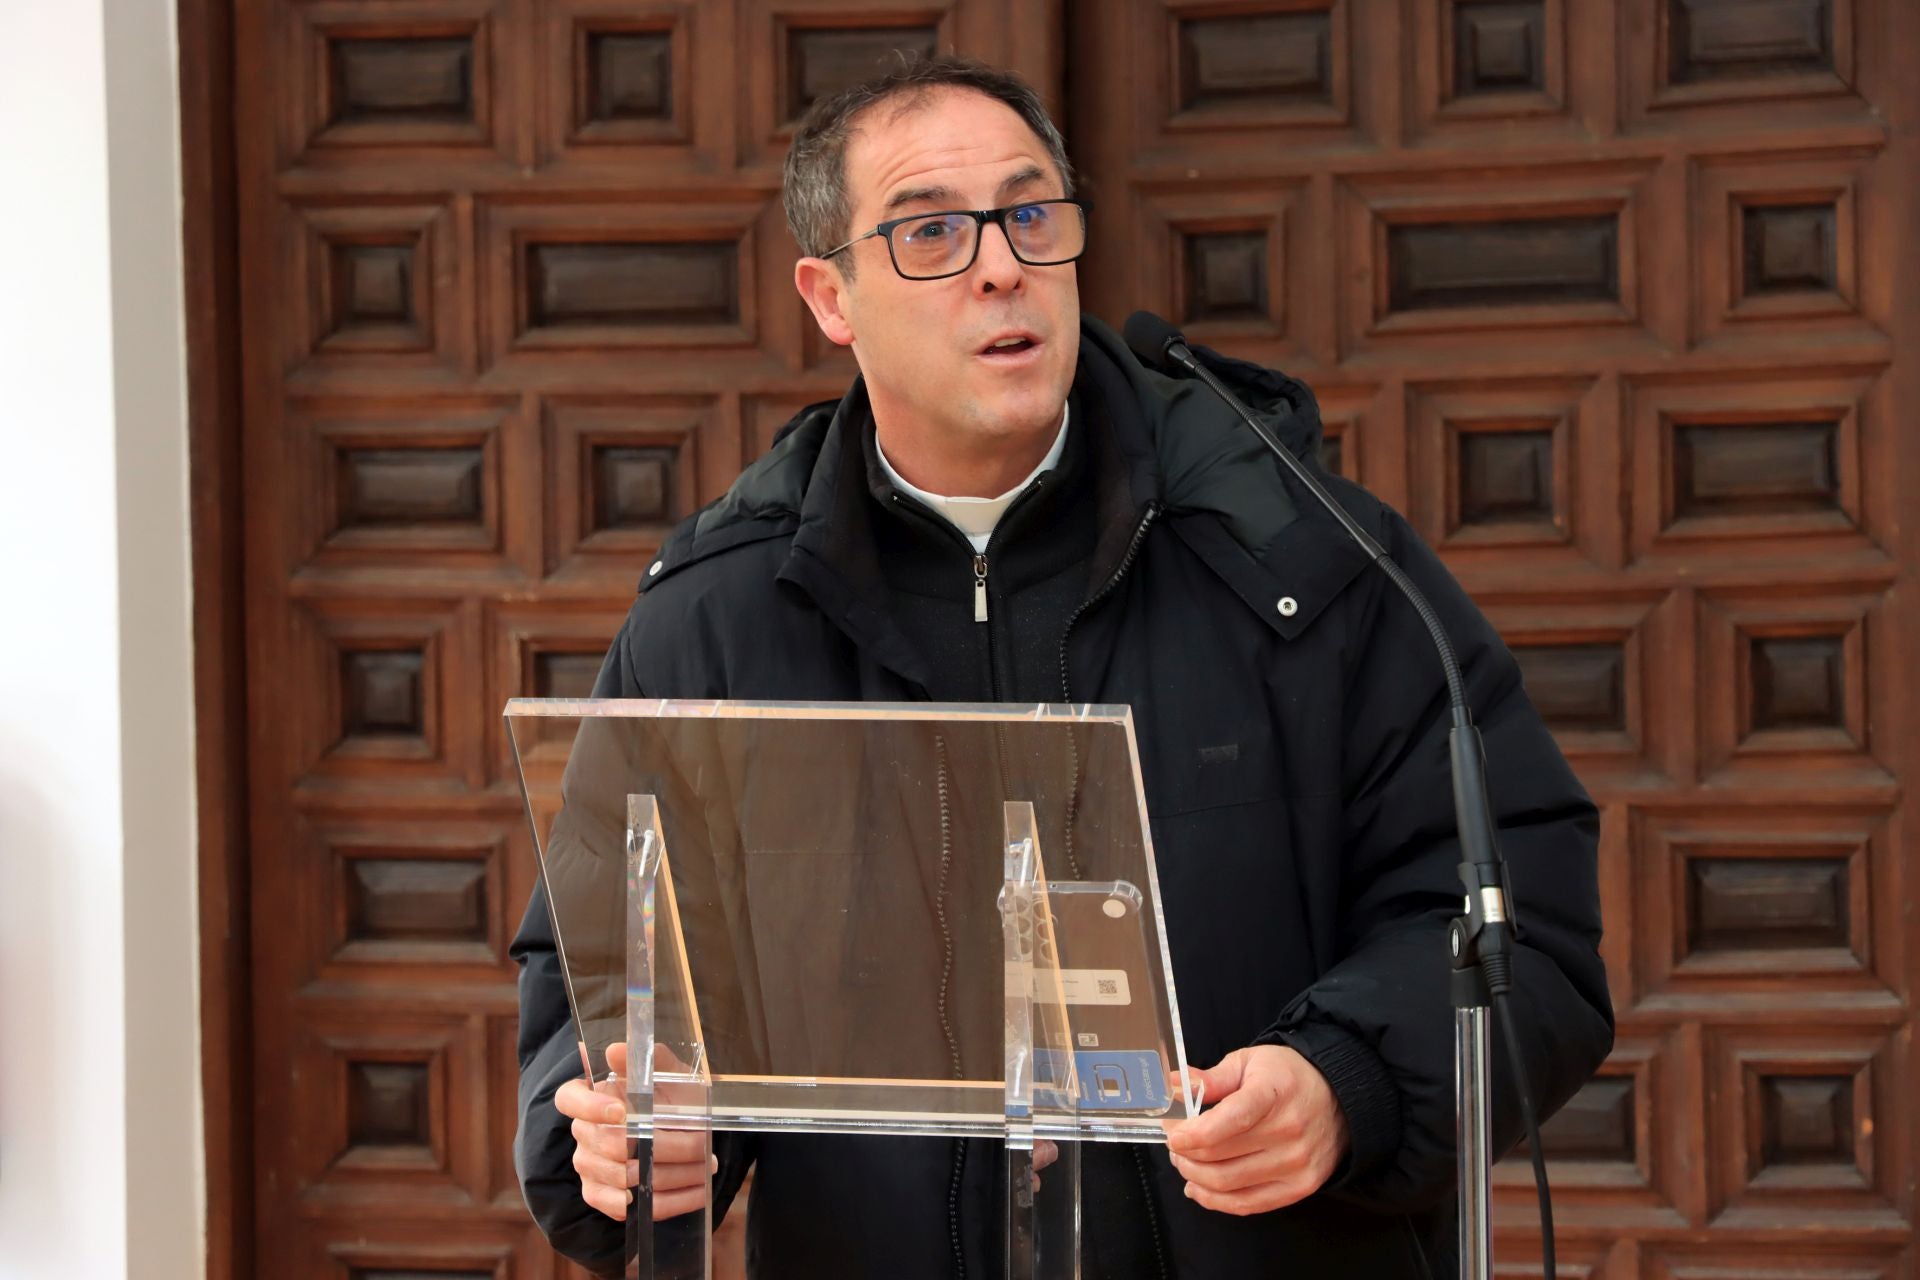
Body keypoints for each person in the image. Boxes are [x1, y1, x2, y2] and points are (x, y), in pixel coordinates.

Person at [512, 54, 1613, 1278]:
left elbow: (1523, 916)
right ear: (831, 296)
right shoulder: (718, 620)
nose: (1001, 264)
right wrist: (619, 1136)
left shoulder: (1307, 562)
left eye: (1031, 214)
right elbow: (600, 976)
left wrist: (1344, 1079)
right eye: (931, 230)